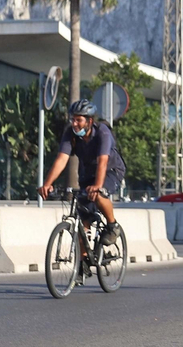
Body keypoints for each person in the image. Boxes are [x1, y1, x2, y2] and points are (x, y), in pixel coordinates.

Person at [38, 99, 124, 245]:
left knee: (98, 194)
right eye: (73, 119)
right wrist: (47, 184)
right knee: (83, 219)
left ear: (89, 121)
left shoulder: (102, 132)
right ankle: (82, 264)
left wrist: (98, 186)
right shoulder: (70, 134)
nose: (75, 124)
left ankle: (112, 225)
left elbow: (102, 162)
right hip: (87, 173)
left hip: (111, 170)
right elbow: (61, 160)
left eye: (79, 120)